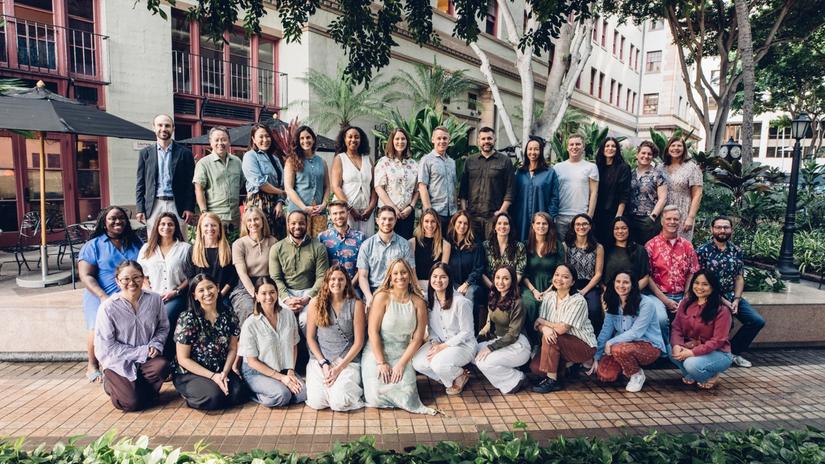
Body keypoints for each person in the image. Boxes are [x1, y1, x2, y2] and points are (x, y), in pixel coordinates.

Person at [361, 259, 436, 414]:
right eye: (395, 273)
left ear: (410, 275)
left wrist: (401, 364)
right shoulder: (382, 297)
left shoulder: (419, 302)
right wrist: (381, 362)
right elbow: (372, 332)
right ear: (390, 276)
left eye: (403, 272)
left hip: (403, 354)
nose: (400, 277)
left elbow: (417, 338)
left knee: (407, 397)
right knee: (375, 397)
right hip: (377, 352)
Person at [79, 206, 143, 383]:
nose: (118, 221)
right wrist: (102, 297)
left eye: (121, 218)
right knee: (97, 328)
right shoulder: (93, 245)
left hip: (130, 294)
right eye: (112, 218)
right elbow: (86, 275)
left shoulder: (135, 242)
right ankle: (92, 365)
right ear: (104, 223)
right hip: (100, 294)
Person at [94, 261, 170, 411]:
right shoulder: (108, 307)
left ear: (143, 278)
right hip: (118, 363)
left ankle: (136, 391)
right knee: (131, 404)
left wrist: (156, 344)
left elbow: (163, 327)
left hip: (147, 361)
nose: (132, 283)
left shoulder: (155, 299)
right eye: (126, 279)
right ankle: (112, 384)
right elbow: (107, 347)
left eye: (136, 277)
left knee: (163, 366)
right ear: (117, 281)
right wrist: (142, 351)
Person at [697, 216, 766, 368]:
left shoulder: (736, 250)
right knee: (723, 322)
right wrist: (724, 302)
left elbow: (739, 277)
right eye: (718, 227)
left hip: (732, 296)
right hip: (710, 297)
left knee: (756, 321)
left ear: (731, 230)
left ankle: (733, 352)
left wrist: (736, 299)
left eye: (726, 227)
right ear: (712, 229)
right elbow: (700, 281)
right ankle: (714, 357)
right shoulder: (702, 251)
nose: (722, 230)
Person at [173, 273, 247, 410]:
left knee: (238, 394)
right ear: (194, 296)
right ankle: (188, 393)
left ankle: (214, 384)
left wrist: (224, 372)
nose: (207, 293)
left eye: (210, 287)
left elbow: (232, 348)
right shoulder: (188, 318)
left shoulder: (228, 314)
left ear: (217, 288)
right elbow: (183, 359)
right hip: (191, 372)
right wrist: (213, 377)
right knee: (214, 397)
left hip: (219, 368)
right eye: (201, 290)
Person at [591, 271, 665, 392]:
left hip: (648, 346)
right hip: (622, 346)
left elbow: (636, 333)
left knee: (619, 349)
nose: (621, 285)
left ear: (632, 285)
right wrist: (597, 356)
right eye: (618, 282)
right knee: (605, 375)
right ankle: (625, 366)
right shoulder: (614, 302)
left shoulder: (646, 303)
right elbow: (605, 331)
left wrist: (611, 342)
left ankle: (636, 374)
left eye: (626, 282)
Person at [305, 265, 366, 411]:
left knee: (339, 402)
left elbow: (359, 342)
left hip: (347, 360)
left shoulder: (356, 304)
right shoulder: (315, 303)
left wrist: (339, 368)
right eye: (332, 279)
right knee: (317, 403)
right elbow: (310, 338)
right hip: (320, 360)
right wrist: (323, 363)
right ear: (327, 282)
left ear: (347, 282)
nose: (336, 283)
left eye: (341, 279)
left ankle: (344, 389)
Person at [238, 277, 306, 407]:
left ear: (277, 293)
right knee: (283, 395)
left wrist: (291, 370)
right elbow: (252, 362)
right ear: (257, 296)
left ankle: (277, 387)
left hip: (282, 367)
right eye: (263, 293)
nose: (268, 297)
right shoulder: (250, 324)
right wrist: (282, 378)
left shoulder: (288, 314)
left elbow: (294, 345)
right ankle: (252, 392)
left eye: (272, 292)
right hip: (256, 372)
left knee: (302, 394)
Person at [530, 264, 597, 393]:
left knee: (552, 338)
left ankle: (552, 380)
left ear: (573, 282)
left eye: (565, 277)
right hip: (561, 344)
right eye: (557, 275)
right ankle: (566, 368)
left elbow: (561, 329)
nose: (559, 279)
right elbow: (537, 326)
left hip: (583, 345)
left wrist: (543, 323)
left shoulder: (578, 300)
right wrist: (544, 328)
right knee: (536, 368)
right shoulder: (549, 297)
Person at [412, 263, 476, 395]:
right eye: (434, 276)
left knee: (437, 364)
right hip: (440, 342)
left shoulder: (461, 302)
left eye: (443, 277)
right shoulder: (429, 300)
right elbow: (431, 328)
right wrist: (435, 342)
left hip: (463, 346)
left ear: (449, 279)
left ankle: (459, 375)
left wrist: (443, 347)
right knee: (417, 363)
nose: (438, 280)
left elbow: (467, 332)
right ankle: (450, 376)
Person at [137, 212, 191, 356]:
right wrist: (150, 291)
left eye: (170, 224)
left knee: (165, 317)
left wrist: (176, 291)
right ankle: (146, 354)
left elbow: (190, 276)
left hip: (176, 296)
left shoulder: (185, 248)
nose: (166, 227)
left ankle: (165, 355)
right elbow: (141, 274)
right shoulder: (147, 248)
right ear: (157, 227)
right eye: (163, 224)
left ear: (175, 227)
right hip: (151, 295)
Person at [670, 270, 733, 389]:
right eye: (697, 283)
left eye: (705, 284)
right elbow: (676, 327)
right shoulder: (685, 303)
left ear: (713, 287)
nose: (699, 287)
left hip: (718, 353)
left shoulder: (722, 310)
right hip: (693, 345)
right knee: (671, 350)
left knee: (690, 364)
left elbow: (718, 341)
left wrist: (692, 352)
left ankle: (711, 376)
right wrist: (677, 345)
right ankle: (693, 375)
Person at [474, 265, 531, 395]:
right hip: (501, 341)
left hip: (518, 345)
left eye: (505, 278)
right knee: (473, 352)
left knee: (483, 362)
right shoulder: (494, 296)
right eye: (498, 277)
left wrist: (491, 347)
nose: (500, 282)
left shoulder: (518, 302)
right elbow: (491, 323)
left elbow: (513, 335)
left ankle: (517, 378)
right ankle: (509, 372)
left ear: (512, 281)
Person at [268, 210, 329, 330]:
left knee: (306, 321)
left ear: (307, 224)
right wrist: (286, 299)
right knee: (285, 319)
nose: (297, 226)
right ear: (288, 225)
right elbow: (275, 278)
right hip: (285, 292)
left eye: (301, 223)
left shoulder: (318, 247)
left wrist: (308, 297)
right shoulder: (277, 248)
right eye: (293, 223)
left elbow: (322, 277)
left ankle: (310, 343)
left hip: (310, 292)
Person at [646, 206, 700, 341]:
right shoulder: (651, 245)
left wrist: (686, 296)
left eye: (675, 219)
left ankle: (683, 347)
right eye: (668, 219)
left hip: (682, 295)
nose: (672, 222)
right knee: (661, 319)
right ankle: (665, 349)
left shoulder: (687, 246)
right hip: (658, 296)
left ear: (680, 221)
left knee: (696, 319)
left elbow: (692, 272)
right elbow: (647, 277)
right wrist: (665, 300)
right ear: (662, 221)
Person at [135, 114, 195, 235]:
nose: (163, 129)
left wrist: (189, 207)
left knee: (180, 239)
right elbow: (140, 183)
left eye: (167, 126)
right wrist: (140, 208)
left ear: (173, 128)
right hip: (154, 205)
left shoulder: (185, 153)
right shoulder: (145, 153)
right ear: (154, 127)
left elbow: (190, 184)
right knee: (154, 239)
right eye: (160, 125)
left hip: (177, 205)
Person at [458, 127, 515, 240]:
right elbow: (463, 190)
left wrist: (501, 212)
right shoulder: (470, 161)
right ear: (478, 140)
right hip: (473, 217)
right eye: (483, 139)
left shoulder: (505, 161)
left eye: (489, 138)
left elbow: (510, 190)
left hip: (493, 217)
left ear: (495, 140)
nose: (486, 141)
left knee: (491, 247)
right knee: (473, 247)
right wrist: (465, 213)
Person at [356, 206, 416, 308]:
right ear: (377, 221)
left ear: (395, 221)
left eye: (390, 219)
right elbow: (362, 276)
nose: (387, 222)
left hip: (397, 290)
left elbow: (411, 272)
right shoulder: (366, 245)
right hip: (374, 291)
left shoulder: (404, 244)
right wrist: (369, 296)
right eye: (383, 219)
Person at [521, 212, 565, 346]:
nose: (541, 226)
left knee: (547, 305)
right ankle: (531, 341)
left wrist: (549, 291)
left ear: (549, 226)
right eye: (538, 223)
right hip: (529, 285)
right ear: (533, 226)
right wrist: (534, 290)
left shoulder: (557, 245)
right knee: (530, 304)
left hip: (552, 286)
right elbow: (522, 273)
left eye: (544, 223)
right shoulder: (525, 245)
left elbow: (560, 271)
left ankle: (544, 343)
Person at [193, 126, 245, 234]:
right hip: (215, 217)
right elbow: (199, 189)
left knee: (235, 244)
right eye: (216, 140)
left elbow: (241, 184)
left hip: (235, 217)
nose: (220, 143)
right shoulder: (203, 163)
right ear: (210, 142)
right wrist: (204, 213)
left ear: (229, 142)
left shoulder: (237, 162)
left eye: (224, 139)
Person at [231, 207, 278, 323]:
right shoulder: (239, 244)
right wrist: (255, 295)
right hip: (246, 288)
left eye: (256, 219)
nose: (253, 223)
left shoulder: (273, 242)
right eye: (249, 220)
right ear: (245, 224)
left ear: (262, 221)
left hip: (268, 285)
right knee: (250, 310)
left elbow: (276, 271)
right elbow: (242, 273)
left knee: (278, 310)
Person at [285, 125, 330, 238]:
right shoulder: (291, 161)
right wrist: (304, 207)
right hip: (298, 211)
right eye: (302, 138)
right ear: (298, 141)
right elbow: (289, 188)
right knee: (300, 242)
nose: (305, 141)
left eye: (308, 137)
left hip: (319, 211)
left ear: (313, 139)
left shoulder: (322, 162)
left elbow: (327, 186)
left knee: (319, 242)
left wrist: (324, 204)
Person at [242, 123, 286, 239]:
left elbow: (282, 184)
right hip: (258, 202)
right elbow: (260, 183)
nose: (265, 140)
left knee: (276, 238)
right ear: (253, 139)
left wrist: (280, 202)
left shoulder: (275, 159)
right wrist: (281, 192)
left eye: (267, 136)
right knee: (259, 236)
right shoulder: (250, 156)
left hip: (275, 204)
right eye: (261, 137)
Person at [511, 136, 559, 241]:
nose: (533, 152)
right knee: (522, 244)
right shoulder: (520, 172)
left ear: (541, 151)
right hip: (521, 219)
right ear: (526, 151)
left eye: (536, 149)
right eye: (530, 149)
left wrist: (549, 218)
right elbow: (513, 195)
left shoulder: (550, 173)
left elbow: (554, 198)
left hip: (542, 220)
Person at [332, 125, 377, 236]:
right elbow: (336, 187)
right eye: (350, 137)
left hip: (366, 212)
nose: (353, 140)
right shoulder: (340, 158)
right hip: (346, 211)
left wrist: (371, 208)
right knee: (348, 241)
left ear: (361, 140)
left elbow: (374, 187)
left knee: (366, 241)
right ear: (344, 139)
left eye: (357, 137)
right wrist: (350, 209)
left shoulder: (368, 159)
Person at [374, 128, 419, 239]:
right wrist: (393, 208)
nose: (400, 142)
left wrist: (411, 207)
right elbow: (379, 188)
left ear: (407, 141)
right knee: (386, 242)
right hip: (387, 213)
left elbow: (417, 190)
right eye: (397, 139)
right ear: (392, 141)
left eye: (403, 139)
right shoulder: (384, 162)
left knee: (405, 243)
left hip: (407, 214)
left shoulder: (413, 164)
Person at [190, 213, 240, 312]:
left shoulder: (228, 249)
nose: (210, 228)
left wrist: (220, 294)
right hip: (201, 297)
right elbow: (190, 277)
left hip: (223, 295)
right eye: (206, 225)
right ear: (200, 229)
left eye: (213, 225)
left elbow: (233, 277)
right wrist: (202, 295)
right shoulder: (193, 250)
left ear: (219, 228)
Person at [564, 214, 605, 334]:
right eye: (578, 224)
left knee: (594, 309)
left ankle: (593, 338)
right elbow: (564, 270)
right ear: (573, 227)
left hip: (590, 285)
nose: (581, 227)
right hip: (571, 284)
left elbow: (598, 274)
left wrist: (584, 291)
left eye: (584, 224)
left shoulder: (598, 247)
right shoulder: (566, 246)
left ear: (590, 226)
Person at [553, 134, 598, 238]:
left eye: (578, 144)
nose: (574, 147)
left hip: (581, 217)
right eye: (571, 144)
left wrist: (589, 216)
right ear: (567, 147)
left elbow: (594, 193)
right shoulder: (557, 167)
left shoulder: (591, 167)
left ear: (583, 147)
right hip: (561, 217)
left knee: (580, 247)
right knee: (562, 246)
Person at [658, 137, 702, 242]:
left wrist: (690, 217)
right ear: (668, 148)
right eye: (673, 145)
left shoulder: (692, 167)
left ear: (684, 149)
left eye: (679, 146)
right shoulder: (660, 167)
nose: (676, 148)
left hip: (683, 212)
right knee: (662, 244)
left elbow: (697, 194)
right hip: (663, 211)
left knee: (681, 245)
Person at [446, 211, 486, 316]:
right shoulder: (448, 243)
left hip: (472, 285)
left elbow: (479, 268)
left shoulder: (476, 244)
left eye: (465, 223)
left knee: (470, 293)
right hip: (453, 283)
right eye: (459, 222)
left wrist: (466, 284)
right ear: (454, 223)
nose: (462, 226)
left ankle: (470, 325)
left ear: (469, 226)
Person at [419, 126, 458, 232]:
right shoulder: (426, 160)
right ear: (433, 140)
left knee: (449, 241)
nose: (442, 141)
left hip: (452, 213)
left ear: (449, 140)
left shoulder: (452, 162)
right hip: (435, 212)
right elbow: (422, 186)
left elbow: (454, 187)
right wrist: (429, 212)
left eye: (445, 138)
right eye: (439, 138)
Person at [593, 137, 631, 246]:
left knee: (610, 243)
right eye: (607, 146)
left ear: (617, 149)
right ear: (602, 149)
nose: (610, 148)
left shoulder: (623, 168)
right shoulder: (597, 167)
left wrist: (618, 217)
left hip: (614, 212)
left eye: (613, 146)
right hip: (597, 213)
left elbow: (624, 193)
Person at [628, 141, 667, 244]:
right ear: (637, 154)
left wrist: (652, 217)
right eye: (643, 153)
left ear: (653, 157)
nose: (646, 156)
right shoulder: (630, 173)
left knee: (648, 249)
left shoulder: (658, 174)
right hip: (631, 218)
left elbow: (663, 198)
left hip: (649, 220)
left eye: (649, 154)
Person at [318, 200, 366, 281]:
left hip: (354, 284)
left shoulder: (360, 237)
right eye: (335, 213)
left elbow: (363, 266)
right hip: (330, 284)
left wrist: (351, 285)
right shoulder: (322, 237)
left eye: (342, 212)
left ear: (348, 213)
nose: (339, 216)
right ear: (330, 215)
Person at [602, 216, 650, 291]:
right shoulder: (606, 250)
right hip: (608, 293)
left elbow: (645, 278)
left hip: (633, 293)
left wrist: (631, 293)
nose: (620, 231)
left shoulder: (640, 250)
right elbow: (600, 277)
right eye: (616, 228)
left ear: (629, 229)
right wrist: (606, 292)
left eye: (624, 228)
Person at [410, 208, 451, 293]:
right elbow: (411, 270)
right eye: (426, 221)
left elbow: (442, 272)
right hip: (417, 285)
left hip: (436, 285)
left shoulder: (446, 245)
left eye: (433, 221)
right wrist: (419, 289)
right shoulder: (412, 243)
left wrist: (434, 290)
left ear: (437, 223)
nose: (430, 225)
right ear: (421, 222)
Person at [482, 212, 526, 289]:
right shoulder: (485, 246)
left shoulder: (519, 247)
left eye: (506, 224)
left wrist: (508, 288)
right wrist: (493, 288)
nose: (502, 226)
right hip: (490, 288)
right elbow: (481, 272)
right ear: (495, 227)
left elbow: (519, 273)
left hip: (511, 288)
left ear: (510, 227)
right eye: (499, 223)